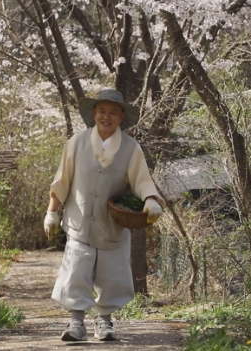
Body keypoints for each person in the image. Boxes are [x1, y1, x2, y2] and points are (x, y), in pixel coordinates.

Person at [44, 89, 164, 342]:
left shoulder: (131, 148)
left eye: (112, 112)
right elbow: (61, 181)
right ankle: (76, 322)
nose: (106, 117)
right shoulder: (76, 143)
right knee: (76, 271)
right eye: (101, 111)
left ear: (121, 116)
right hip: (80, 221)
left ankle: (105, 322)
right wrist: (51, 213)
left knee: (112, 275)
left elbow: (141, 180)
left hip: (113, 224)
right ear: (93, 114)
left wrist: (151, 199)